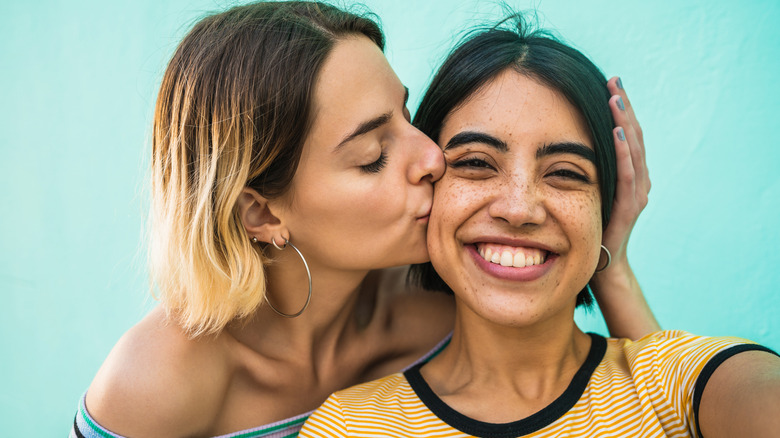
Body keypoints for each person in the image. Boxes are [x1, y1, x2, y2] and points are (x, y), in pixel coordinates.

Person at [71, 3, 658, 438]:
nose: (433, 157)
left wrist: (611, 261)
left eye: (405, 115)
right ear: (261, 211)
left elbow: (663, 408)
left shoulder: (450, 295)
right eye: (374, 156)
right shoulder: (154, 385)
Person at [298, 15, 780, 438]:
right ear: (429, 186)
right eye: (477, 163)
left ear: (606, 209)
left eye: (566, 173)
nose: (520, 208)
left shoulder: (683, 384)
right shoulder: (348, 425)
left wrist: (609, 264)